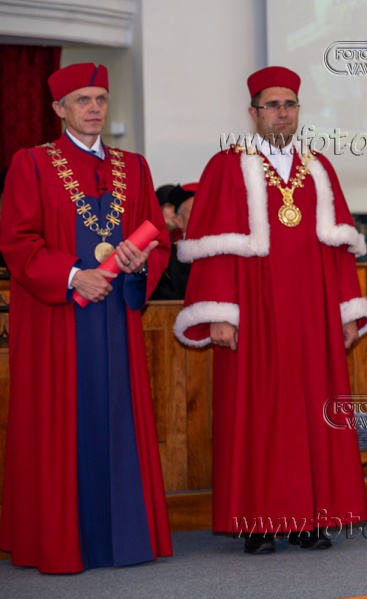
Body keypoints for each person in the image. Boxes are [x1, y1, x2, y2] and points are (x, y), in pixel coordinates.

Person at [174, 66, 367, 554]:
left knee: (313, 410)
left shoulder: (319, 166)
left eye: (290, 104)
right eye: (272, 105)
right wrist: (220, 313)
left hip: (312, 312)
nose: (282, 113)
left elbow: (339, 248)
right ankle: (259, 522)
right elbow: (214, 248)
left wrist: (347, 310)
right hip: (254, 311)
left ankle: (311, 519)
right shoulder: (226, 165)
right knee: (258, 412)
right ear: (253, 112)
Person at [0, 62, 173, 572]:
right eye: (82, 100)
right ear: (59, 108)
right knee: (61, 422)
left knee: (118, 417)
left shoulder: (135, 167)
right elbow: (17, 241)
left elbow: (157, 236)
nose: (94, 108)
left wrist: (141, 263)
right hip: (58, 320)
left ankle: (124, 540)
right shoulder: (31, 164)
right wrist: (74, 275)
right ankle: (62, 542)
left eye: (100, 99)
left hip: (116, 316)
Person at [151, 183, 196, 300]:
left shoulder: (223, 253)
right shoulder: (166, 259)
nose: (202, 217)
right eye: (194, 212)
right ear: (178, 221)